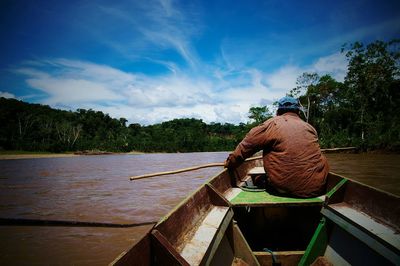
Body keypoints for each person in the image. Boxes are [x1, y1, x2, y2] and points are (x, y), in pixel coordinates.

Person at [224, 96, 329, 198]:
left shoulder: (271, 125)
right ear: (298, 112)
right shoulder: (309, 127)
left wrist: (230, 163)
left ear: (278, 112)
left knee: (258, 179)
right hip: (317, 187)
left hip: (284, 188)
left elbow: (244, 148)